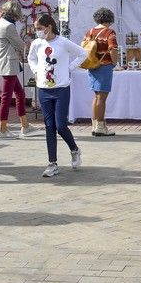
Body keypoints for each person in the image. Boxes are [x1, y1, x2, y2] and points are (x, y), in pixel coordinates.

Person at [29, 13, 87, 177]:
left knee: (60, 125)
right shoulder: (37, 44)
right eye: (36, 29)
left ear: (49, 27)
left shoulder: (63, 42)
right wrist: (36, 70)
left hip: (61, 89)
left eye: (39, 28)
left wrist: (70, 68)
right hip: (44, 89)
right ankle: (52, 162)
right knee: (49, 126)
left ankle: (74, 149)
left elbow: (83, 53)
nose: (37, 32)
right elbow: (31, 58)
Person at [0, 0, 35, 140]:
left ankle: (25, 125)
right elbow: (19, 44)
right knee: (6, 97)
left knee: (20, 94)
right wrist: (30, 44)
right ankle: (2, 129)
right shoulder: (9, 26)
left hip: (5, 62)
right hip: (8, 64)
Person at [84, 7, 119, 137]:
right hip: (104, 66)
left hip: (92, 65)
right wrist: (114, 63)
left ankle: (95, 125)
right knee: (102, 98)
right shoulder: (110, 32)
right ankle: (100, 126)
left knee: (96, 96)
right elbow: (113, 49)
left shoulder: (90, 31)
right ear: (109, 19)